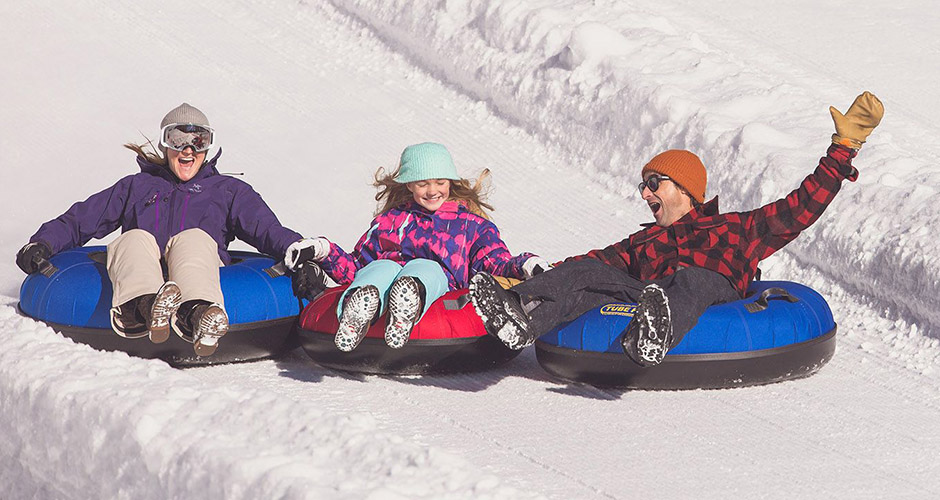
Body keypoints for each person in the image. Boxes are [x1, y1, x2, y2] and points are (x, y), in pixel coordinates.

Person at [469, 91, 884, 367]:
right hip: (653, 298)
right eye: (642, 186)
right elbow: (591, 263)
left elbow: (800, 208)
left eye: (655, 184)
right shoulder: (644, 241)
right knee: (592, 275)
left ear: (685, 189)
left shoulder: (736, 228)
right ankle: (516, 315)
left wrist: (842, 151)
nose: (646, 194)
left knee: (693, 278)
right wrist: (535, 275)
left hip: (709, 294)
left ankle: (656, 335)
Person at [16, 103, 321, 356]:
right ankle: (145, 308)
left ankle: (198, 315)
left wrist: (300, 254)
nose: (188, 150)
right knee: (133, 239)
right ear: (165, 144)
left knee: (194, 240)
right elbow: (83, 218)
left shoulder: (227, 191)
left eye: (198, 141)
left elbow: (267, 229)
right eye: (178, 139)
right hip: (142, 268)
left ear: (207, 146)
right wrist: (42, 243)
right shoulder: (137, 186)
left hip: (197, 264)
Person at [285, 142, 549, 352]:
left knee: (426, 267)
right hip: (384, 276)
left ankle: (407, 302)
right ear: (409, 184)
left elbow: (494, 260)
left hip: (436, 283)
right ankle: (357, 313)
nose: (432, 190)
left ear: (450, 182)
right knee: (379, 268)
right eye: (423, 183)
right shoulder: (389, 221)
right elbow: (355, 267)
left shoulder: (470, 225)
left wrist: (524, 264)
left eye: (440, 182)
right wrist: (322, 249)